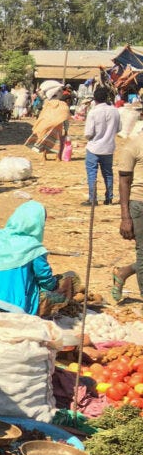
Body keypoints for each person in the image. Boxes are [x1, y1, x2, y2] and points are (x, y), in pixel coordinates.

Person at [0, 201, 78, 318]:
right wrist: (53, 286)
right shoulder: (33, 247)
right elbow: (45, 279)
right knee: (71, 278)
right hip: (10, 304)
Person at [113, 128, 143, 303]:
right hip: (140, 204)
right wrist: (125, 217)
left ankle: (124, 272)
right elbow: (124, 182)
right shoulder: (133, 146)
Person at [83, 86, 121, 206]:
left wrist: (92, 137)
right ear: (107, 98)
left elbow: (88, 133)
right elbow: (119, 129)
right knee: (108, 173)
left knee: (92, 173)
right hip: (108, 147)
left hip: (94, 147)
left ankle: (93, 199)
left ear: (95, 99)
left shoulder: (93, 112)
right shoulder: (115, 111)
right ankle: (109, 198)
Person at [25, 88, 71, 160]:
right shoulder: (64, 106)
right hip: (57, 127)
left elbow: (43, 115)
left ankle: (44, 156)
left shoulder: (48, 104)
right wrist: (66, 130)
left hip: (47, 125)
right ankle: (57, 157)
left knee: (46, 141)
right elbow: (65, 119)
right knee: (56, 142)